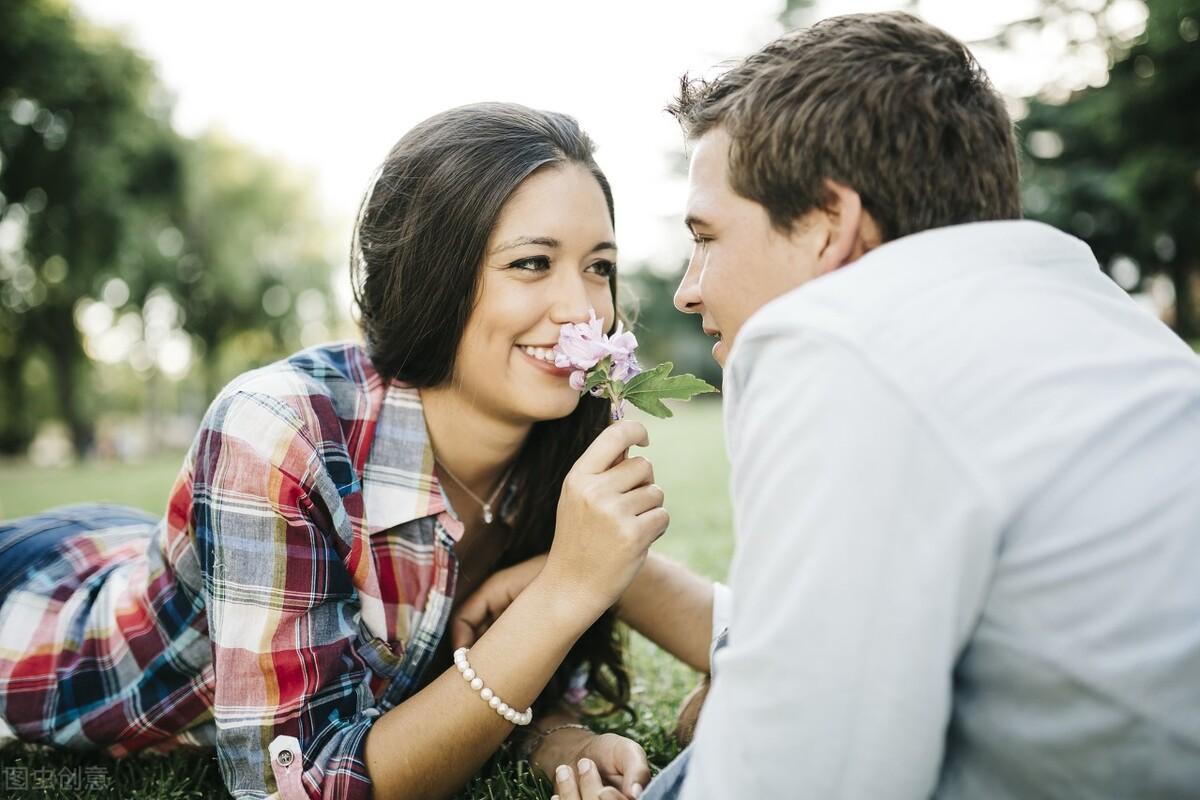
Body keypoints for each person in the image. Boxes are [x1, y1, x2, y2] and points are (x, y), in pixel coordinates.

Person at [546, 11, 1200, 800]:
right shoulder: (1100, 323)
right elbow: (854, 631)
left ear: (831, 224)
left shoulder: (841, 345)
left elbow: (803, 778)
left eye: (708, 236)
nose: (689, 290)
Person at [0, 102, 704, 800]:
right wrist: (562, 592)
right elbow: (294, 784)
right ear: (431, 276)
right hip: (38, 617)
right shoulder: (278, 429)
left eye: (599, 266)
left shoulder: (559, 438)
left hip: (133, 542)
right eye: (531, 263)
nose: (583, 310)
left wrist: (557, 735)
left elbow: (449, 682)